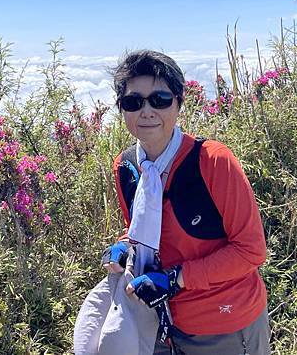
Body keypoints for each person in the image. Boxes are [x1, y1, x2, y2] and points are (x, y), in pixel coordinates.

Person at [102, 50, 270, 355]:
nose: (146, 111)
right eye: (133, 102)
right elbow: (140, 229)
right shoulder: (126, 167)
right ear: (122, 109)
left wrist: (176, 278)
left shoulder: (212, 162)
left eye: (160, 99)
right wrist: (124, 247)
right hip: (156, 321)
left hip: (223, 323)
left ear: (179, 102)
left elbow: (250, 251)